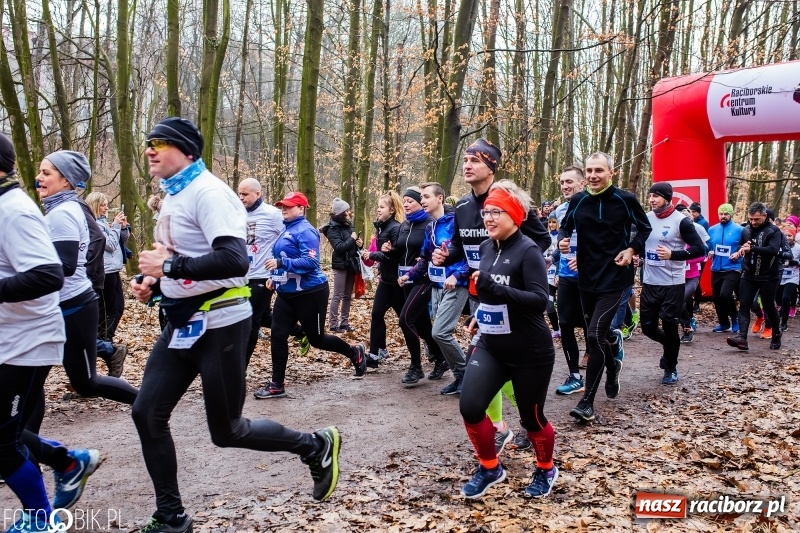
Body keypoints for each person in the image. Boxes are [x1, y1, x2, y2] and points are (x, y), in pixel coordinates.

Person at [130, 118, 342, 533]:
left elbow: (234, 261)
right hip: (183, 321)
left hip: (222, 323)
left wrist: (169, 266)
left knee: (226, 431)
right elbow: (180, 256)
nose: (150, 150)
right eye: (148, 143)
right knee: (147, 413)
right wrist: (155, 281)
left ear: (187, 151)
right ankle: (172, 517)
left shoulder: (209, 192)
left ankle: (315, 445)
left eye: (159, 143)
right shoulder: (174, 195)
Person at [0, 134, 102, 532]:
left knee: (4, 443)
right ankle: (65, 461)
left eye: (48, 172)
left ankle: (41, 519)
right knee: (8, 432)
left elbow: (48, 273)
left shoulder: (16, 211)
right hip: (11, 335)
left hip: (26, 340)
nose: (41, 177)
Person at [431, 138, 550, 447]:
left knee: (511, 361)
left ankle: (527, 419)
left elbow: (540, 241)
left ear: (491, 167)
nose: (467, 165)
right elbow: (459, 243)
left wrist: (511, 270)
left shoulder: (512, 200)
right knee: (488, 360)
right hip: (480, 294)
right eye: (465, 160)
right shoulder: (464, 207)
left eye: (475, 160)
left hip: (515, 296)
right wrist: (447, 255)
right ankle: (499, 426)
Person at [458, 181, 557, 499]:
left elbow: (540, 301)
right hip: (492, 344)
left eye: (495, 212)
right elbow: (489, 291)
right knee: (471, 406)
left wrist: (496, 289)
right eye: (486, 212)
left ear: (514, 216)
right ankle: (490, 467)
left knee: (532, 418)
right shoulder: (487, 248)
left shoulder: (528, 251)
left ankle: (545, 468)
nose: (488, 218)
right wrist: (481, 314)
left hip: (530, 350)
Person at [35, 150, 139, 407]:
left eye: (46, 173)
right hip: (62, 306)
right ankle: (24, 444)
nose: (38, 178)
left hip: (73, 306)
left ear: (66, 181)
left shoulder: (62, 213)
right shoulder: (65, 209)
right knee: (32, 380)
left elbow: (66, 266)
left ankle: (149, 405)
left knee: (86, 382)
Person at [557, 152, 651, 423]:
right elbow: (565, 228)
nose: (593, 175)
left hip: (616, 277)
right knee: (594, 334)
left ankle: (587, 402)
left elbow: (644, 229)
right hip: (586, 278)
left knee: (595, 335)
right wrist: (564, 241)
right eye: (589, 170)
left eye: (599, 170)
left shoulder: (626, 199)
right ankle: (612, 365)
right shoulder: (578, 200)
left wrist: (631, 248)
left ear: (612, 173)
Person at [257, 191, 368, 399]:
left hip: (311, 293)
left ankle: (354, 353)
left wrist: (282, 264)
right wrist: (275, 276)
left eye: (289, 206)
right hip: (287, 294)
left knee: (316, 339)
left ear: (301, 209)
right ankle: (277, 384)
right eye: (282, 206)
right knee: (278, 335)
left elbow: (310, 263)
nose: (284, 209)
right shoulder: (285, 229)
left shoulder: (306, 231)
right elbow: (280, 258)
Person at [399, 182, 469, 395]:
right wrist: (409, 275)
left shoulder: (456, 222)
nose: (422, 201)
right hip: (437, 285)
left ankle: (467, 375)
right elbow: (425, 259)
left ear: (440, 198)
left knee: (440, 332)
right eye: (421, 197)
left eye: (426, 196)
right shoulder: (431, 227)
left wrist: (457, 275)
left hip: (456, 284)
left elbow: (472, 255)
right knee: (439, 333)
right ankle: (460, 377)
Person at [639, 183, 704, 384]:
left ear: (667, 198)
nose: (652, 200)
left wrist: (673, 255)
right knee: (648, 328)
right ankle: (670, 348)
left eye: (656, 196)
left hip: (672, 284)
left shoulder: (681, 221)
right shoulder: (646, 219)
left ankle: (671, 368)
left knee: (669, 327)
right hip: (650, 282)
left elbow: (699, 249)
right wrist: (637, 255)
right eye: (650, 196)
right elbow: (642, 244)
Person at [394, 187, 448, 386]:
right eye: (404, 201)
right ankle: (441, 359)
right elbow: (400, 250)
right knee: (423, 325)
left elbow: (434, 253)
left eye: (411, 200)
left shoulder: (430, 223)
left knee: (405, 319)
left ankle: (416, 366)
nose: (406, 204)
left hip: (425, 278)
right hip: (408, 278)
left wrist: (424, 262)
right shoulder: (405, 224)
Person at [237, 178, 283, 366]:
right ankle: (302, 332)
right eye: (239, 193)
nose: (241, 198)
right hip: (242, 275)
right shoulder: (237, 213)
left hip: (263, 277)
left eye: (245, 194)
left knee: (250, 321)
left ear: (258, 193)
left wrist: (278, 270)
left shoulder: (273, 214)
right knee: (265, 318)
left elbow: (286, 241)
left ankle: (240, 369)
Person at [551, 166, 589, 396]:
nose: (565, 186)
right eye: (562, 182)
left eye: (570, 182)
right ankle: (575, 375)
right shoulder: (561, 210)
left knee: (591, 328)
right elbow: (561, 240)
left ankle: (612, 358)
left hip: (592, 277)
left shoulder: (595, 207)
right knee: (565, 324)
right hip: (566, 275)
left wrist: (585, 259)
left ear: (582, 184)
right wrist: (560, 247)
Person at [726, 202, 784, 350]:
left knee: (769, 306)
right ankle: (742, 338)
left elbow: (773, 250)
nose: (753, 222)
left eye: (756, 219)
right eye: (751, 219)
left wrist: (752, 248)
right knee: (744, 304)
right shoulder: (745, 229)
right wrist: (740, 250)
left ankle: (776, 333)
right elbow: (740, 245)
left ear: (764, 216)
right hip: (748, 273)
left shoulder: (774, 231)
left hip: (768, 275)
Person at [85, 191, 130, 377]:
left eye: (106, 204)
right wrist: (116, 228)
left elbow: (119, 242)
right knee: (106, 311)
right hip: (104, 272)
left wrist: (123, 229)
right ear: (95, 205)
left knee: (118, 307)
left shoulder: (104, 223)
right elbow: (109, 245)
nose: (106, 208)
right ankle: (104, 343)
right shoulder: (93, 224)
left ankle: (105, 342)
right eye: (102, 205)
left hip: (114, 270)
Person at [361, 191, 404, 365]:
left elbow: (394, 258)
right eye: (377, 206)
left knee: (406, 321)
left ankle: (432, 349)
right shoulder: (381, 227)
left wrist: (373, 255)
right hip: (385, 282)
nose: (378, 210)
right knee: (376, 314)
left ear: (392, 210)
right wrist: (372, 255)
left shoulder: (395, 229)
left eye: (382, 207)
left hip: (398, 283)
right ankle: (374, 354)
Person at [321, 198, 362, 332]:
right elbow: (339, 247)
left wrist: (359, 244)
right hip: (340, 265)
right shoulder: (331, 229)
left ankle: (344, 323)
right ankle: (333, 324)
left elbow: (352, 245)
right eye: (347, 211)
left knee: (347, 295)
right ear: (341, 213)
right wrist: (352, 239)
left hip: (351, 264)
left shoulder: (349, 225)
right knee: (337, 295)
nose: (350, 213)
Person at [707, 203, 744, 333]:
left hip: (733, 267)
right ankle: (724, 323)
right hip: (716, 268)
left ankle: (735, 318)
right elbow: (708, 246)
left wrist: (738, 253)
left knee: (725, 294)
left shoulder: (739, 230)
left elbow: (745, 246)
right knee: (716, 297)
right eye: (721, 214)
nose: (723, 216)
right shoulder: (712, 230)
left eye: (726, 214)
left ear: (731, 215)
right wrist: (709, 251)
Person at [778, 226, 799, 331]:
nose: (787, 238)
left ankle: (784, 323)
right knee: (778, 300)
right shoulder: (779, 246)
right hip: (780, 276)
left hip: (793, 277)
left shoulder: (798, 248)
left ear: (794, 236)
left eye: (790, 235)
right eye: (785, 235)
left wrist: (796, 262)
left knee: (786, 298)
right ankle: (780, 312)